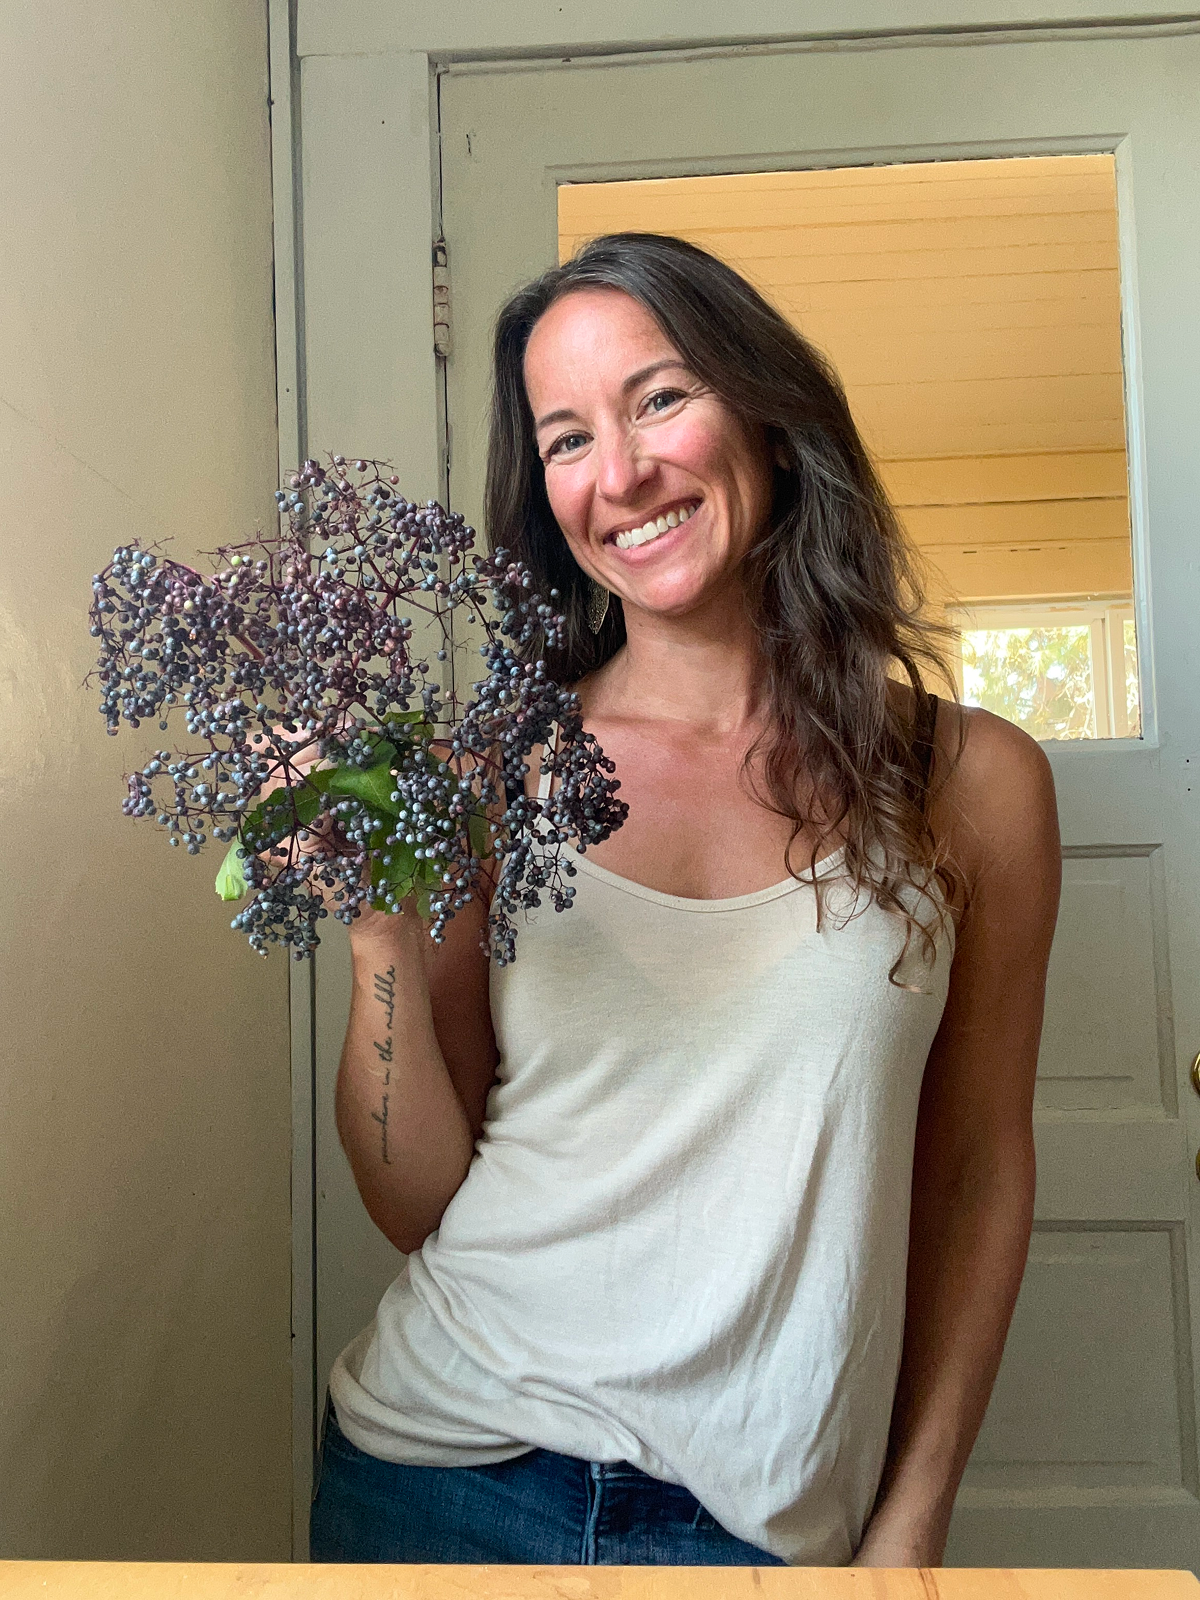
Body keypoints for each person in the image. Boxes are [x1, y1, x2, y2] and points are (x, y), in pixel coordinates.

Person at [307, 233, 1061, 1568]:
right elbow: (415, 1195)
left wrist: (914, 1524)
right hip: (438, 1481)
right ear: (548, 495)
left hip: (760, 1529)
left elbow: (978, 1171)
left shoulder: (970, 783)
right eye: (567, 438)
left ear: (769, 415)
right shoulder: (491, 775)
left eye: (659, 398)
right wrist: (375, 930)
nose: (623, 472)